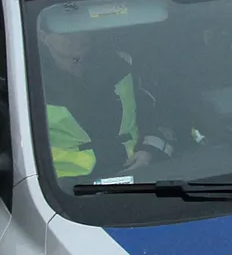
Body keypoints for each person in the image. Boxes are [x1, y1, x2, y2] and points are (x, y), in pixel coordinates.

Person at [39, 28, 173, 180]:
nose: (76, 37)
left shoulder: (122, 65)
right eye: (65, 32)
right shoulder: (27, 80)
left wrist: (148, 151)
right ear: (42, 36)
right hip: (61, 187)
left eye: (80, 29)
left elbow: (159, 114)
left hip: (136, 172)